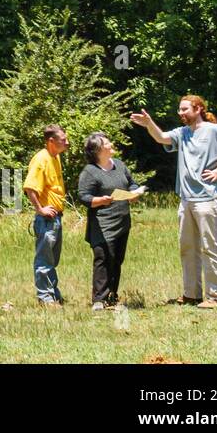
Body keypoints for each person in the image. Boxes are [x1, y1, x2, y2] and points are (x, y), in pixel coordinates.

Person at [130, 95, 217, 308]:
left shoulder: (215, 131)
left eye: (185, 109)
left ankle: (215, 297)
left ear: (198, 109)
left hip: (207, 199)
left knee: (209, 247)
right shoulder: (183, 133)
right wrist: (149, 124)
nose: (181, 113)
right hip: (186, 200)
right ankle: (191, 294)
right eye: (179, 109)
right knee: (187, 248)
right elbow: (162, 138)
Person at [77, 132, 142, 310]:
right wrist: (100, 201)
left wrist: (135, 193)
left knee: (117, 259)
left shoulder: (119, 165)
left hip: (122, 222)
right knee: (103, 259)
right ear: (98, 150)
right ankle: (99, 299)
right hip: (102, 224)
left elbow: (132, 183)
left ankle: (112, 296)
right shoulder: (90, 172)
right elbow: (83, 197)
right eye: (107, 143)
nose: (111, 144)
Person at [23, 125, 69, 305]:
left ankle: (53, 294)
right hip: (46, 219)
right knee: (44, 259)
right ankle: (45, 298)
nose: (67, 142)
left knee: (52, 259)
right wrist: (40, 209)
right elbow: (30, 187)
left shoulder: (55, 157)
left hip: (56, 217)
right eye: (63, 139)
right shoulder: (40, 160)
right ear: (51, 141)